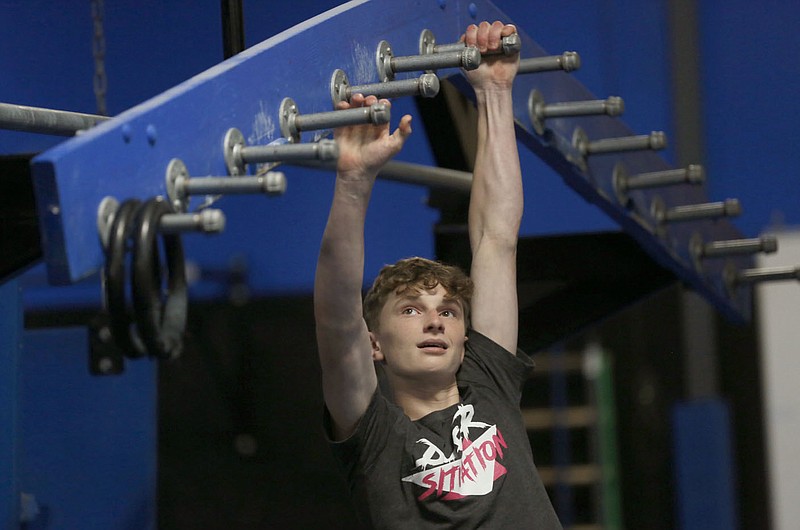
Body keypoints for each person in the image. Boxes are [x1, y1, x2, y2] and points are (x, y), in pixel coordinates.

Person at [314, 20, 562, 529]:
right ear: (375, 344)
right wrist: (354, 183)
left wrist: (495, 93)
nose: (436, 322)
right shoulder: (376, 437)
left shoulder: (487, 381)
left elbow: (496, 238)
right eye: (411, 309)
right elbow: (337, 323)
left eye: (448, 311)